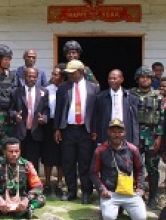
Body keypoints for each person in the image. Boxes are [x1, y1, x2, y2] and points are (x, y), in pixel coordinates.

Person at [54, 59, 99, 204]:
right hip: (68, 130)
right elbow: (59, 109)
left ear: (80, 72)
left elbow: (96, 112)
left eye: (72, 73)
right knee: (68, 162)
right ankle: (72, 191)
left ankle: (86, 192)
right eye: (68, 73)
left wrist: (95, 129)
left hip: (85, 131)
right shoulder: (63, 88)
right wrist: (57, 129)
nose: (70, 76)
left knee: (85, 163)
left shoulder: (93, 88)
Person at [90, 119, 146, 220]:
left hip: (130, 192)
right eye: (113, 132)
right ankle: (112, 207)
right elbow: (93, 172)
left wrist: (140, 187)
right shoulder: (100, 150)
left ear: (124, 133)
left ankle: (122, 208)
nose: (117, 135)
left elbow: (140, 169)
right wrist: (102, 189)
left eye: (120, 132)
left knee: (141, 218)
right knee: (108, 218)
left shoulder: (132, 149)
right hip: (110, 193)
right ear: (108, 132)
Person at [0, 137, 45, 219]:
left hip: (20, 198)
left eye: (17, 151)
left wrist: (27, 199)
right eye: (11, 152)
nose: (14, 154)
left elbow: (38, 186)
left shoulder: (27, 165)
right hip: (1, 197)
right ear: (4, 152)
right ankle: (17, 211)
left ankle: (26, 208)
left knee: (41, 199)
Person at [129, 66, 164, 209]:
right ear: (138, 79)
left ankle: (153, 197)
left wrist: (159, 137)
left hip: (151, 134)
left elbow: (161, 118)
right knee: (134, 166)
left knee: (152, 167)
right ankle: (135, 194)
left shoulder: (158, 96)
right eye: (142, 77)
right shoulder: (130, 94)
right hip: (134, 133)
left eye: (148, 77)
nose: (145, 79)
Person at [10, 67, 49, 171]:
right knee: (18, 162)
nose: (32, 79)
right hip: (20, 132)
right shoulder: (16, 91)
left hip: (35, 132)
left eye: (34, 77)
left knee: (33, 163)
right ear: (24, 77)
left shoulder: (43, 92)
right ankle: (19, 185)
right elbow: (11, 109)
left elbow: (46, 109)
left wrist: (44, 118)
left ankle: (32, 186)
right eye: (29, 76)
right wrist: (15, 115)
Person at [94, 69, 140, 146]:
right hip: (107, 134)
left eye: (114, 78)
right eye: (110, 79)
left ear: (122, 79)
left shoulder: (130, 97)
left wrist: (135, 141)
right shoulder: (101, 97)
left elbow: (134, 121)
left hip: (125, 134)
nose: (112, 81)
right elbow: (97, 117)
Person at [41, 66, 65, 197]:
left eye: (57, 74)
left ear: (62, 77)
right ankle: (48, 183)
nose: (53, 76)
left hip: (62, 124)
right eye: (53, 74)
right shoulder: (47, 89)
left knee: (61, 155)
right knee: (48, 154)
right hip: (49, 124)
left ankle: (60, 183)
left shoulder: (66, 88)